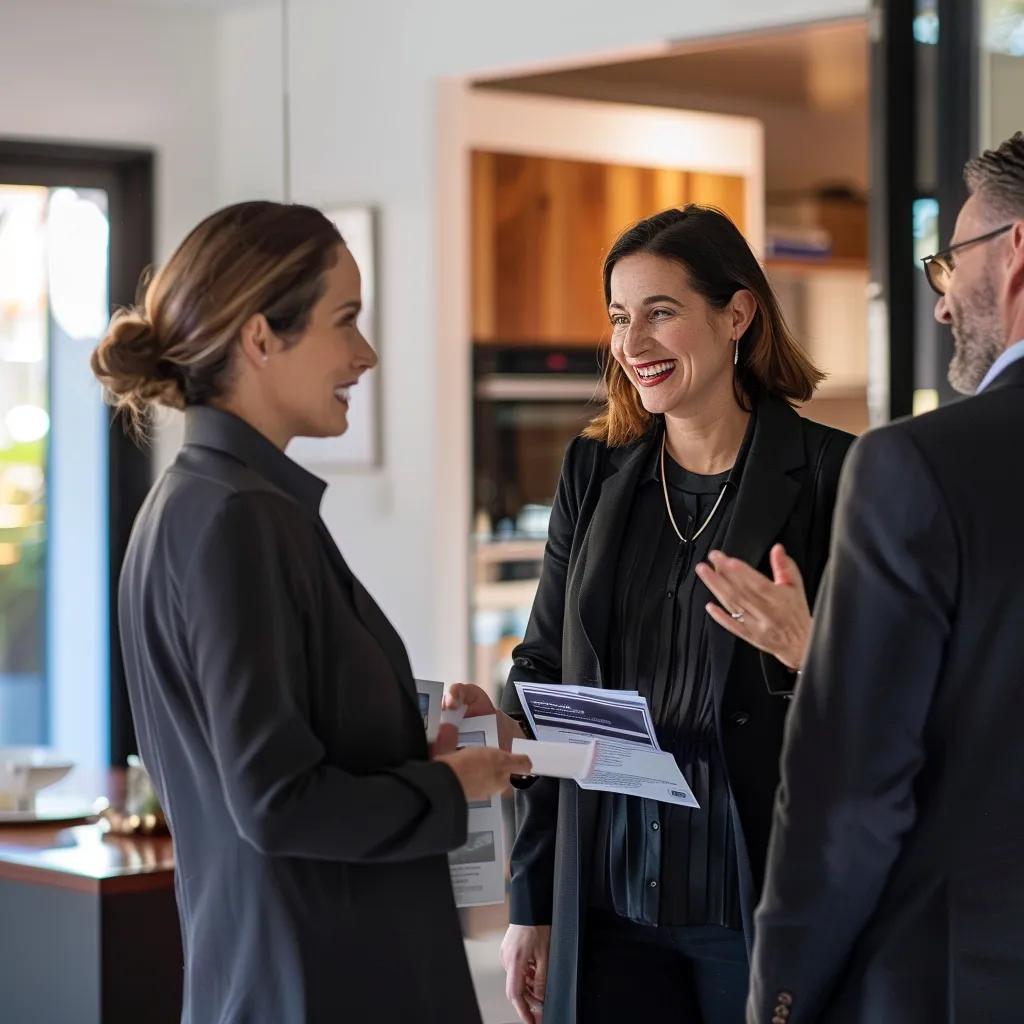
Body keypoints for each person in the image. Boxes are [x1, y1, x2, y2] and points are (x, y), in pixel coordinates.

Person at [91, 201, 531, 1024]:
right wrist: (449, 783)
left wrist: (419, 746)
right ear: (260, 338)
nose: (364, 355)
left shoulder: (205, 505)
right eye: (346, 320)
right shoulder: (237, 519)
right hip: (325, 981)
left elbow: (282, 750)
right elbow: (275, 799)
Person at [488, 205, 855, 1024]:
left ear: (737, 315)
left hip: (754, 901)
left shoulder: (837, 476)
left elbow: (883, 700)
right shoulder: (594, 471)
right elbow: (543, 676)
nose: (633, 344)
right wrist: (530, 898)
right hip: (608, 898)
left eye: (660, 312)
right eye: (620, 317)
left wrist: (809, 648)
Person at [747, 133, 1024, 1023]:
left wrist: (781, 998)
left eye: (951, 263)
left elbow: (850, 795)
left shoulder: (920, 466)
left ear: (1016, 253)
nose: (943, 304)